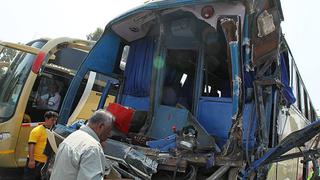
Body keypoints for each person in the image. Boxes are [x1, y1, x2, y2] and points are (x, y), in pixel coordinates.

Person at [50, 109, 115, 180]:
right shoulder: (92, 147)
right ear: (101, 126)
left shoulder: (73, 136)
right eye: (109, 130)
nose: (109, 134)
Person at [23, 111, 58, 180]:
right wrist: (31, 160)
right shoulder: (37, 130)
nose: (54, 122)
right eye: (52, 120)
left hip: (45, 163)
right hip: (36, 162)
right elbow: (31, 145)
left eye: (55, 120)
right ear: (46, 119)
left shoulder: (53, 131)